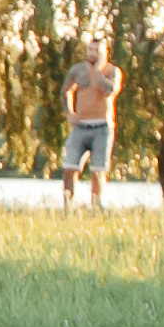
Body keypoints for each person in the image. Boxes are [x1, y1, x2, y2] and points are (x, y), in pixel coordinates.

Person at [62, 39, 122, 206]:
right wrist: (69, 112)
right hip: (81, 126)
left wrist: (97, 73)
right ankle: (67, 206)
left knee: (97, 171)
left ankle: (95, 205)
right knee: (69, 167)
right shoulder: (79, 70)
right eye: (90, 49)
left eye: (96, 50)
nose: (92, 53)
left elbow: (110, 91)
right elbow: (66, 90)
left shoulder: (112, 71)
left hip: (102, 127)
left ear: (104, 52)